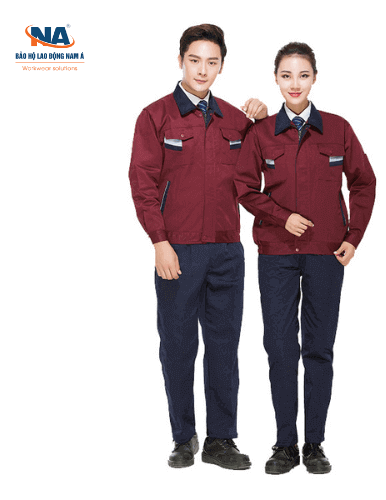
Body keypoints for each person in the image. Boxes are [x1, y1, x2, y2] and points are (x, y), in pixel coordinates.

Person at [129, 24, 267, 470]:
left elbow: (266, 165)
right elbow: (142, 184)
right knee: (178, 346)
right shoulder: (155, 117)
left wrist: (263, 120)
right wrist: (159, 241)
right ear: (180, 61)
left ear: (222, 65)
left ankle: (220, 440)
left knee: (224, 347)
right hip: (178, 251)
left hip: (227, 250)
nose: (202, 70)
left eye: (212, 62)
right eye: (195, 60)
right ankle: (183, 437)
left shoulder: (235, 120)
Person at [234, 42, 376, 474]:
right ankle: (284, 445)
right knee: (280, 348)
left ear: (314, 78)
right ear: (276, 79)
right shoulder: (261, 133)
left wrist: (354, 236)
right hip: (276, 254)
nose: (294, 84)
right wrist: (283, 217)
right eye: (286, 75)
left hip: (326, 255)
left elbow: (364, 183)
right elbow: (244, 187)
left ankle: (314, 444)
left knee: (318, 348)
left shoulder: (338, 129)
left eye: (303, 75)